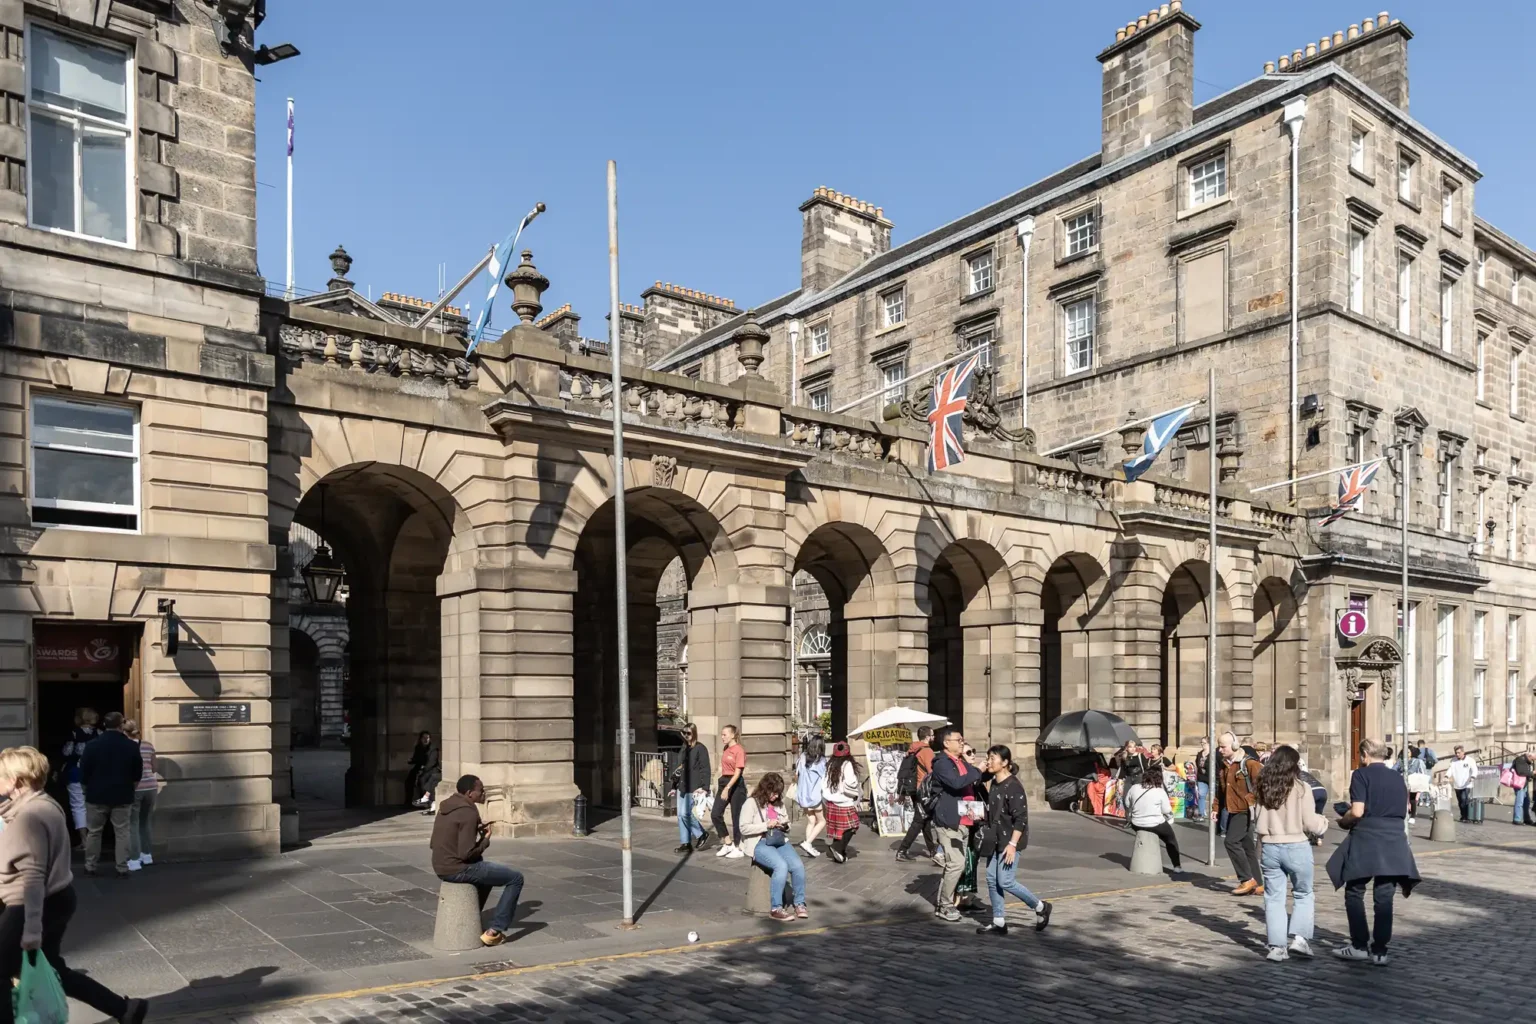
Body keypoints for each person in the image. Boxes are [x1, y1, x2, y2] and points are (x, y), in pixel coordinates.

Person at [0, 746, 148, 1023]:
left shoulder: (28, 817)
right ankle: (125, 1009)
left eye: (0, 775)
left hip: (30, 904)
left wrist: (32, 928)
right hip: (58, 897)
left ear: (16, 780)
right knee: (54, 967)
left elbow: (32, 876)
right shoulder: (45, 804)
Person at [1327, 739, 1420, 964]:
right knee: (1385, 895)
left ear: (1365, 754)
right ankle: (1380, 950)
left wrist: (1343, 820)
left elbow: (1357, 811)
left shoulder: (1361, 775)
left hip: (1367, 839)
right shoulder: (1398, 777)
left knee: (1355, 890)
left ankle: (1359, 944)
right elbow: (1405, 809)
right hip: (1394, 840)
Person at [430, 775, 525, 947]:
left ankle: (470, 917)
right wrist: (485, 840)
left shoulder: (445, 808)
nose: (484, 793)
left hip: (440, 865)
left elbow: (436, 842)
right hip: (458, 869)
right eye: (481, 790)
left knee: (486, 876)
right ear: (469, 793)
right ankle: (495, 931)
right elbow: (466, 854)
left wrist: (474, 830)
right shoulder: (469, 812)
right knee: (515, 878)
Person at [1254, 744, 1327, 962]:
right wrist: (1323, 823)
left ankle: (1277, 947)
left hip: (1270, 845)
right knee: (1303, 893)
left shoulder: (1263, 786)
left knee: (1273, 898)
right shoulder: (1301, 788)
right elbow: (1310, 822)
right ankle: (1300, 940)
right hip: (1296, 845)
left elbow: (1256, 818)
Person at [974, 745, 1051, 935]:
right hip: (996, 839)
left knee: (1006, 881)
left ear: (1005, 763)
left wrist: (1012, 845)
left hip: (1010, 841)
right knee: (992, 879)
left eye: (993, 758)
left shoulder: (1014, 786)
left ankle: (1040, 907)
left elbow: (1021, 819)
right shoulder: (994, 781)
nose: (989, 761)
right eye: (989, 757)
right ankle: (999, 921)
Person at [79, 712, 143, 878]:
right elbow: (137, 774)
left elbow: (84, 772)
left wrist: (86, 790)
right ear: (121, 725)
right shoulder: (131, 746)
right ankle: (122, 867)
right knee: (122, 832)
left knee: (94, 832)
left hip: (96, 795)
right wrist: (131, 788)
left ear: (104, 725)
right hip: (122, 794)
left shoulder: (92, 745)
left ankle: (90, 865)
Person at [930, 728, 984, 922]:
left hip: (965, 819)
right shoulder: (942, 763)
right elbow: (956, 783)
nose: (962, 743)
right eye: (958, 740)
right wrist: (978, 770)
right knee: (957, 863)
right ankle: (944, 904)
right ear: (946, 743)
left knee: (957, 864)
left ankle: (946, 902)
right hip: (949, 821)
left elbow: (975, 778)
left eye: (962, 739)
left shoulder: (960, 761)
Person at [738, 772, 807, 921]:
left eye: (778, 793)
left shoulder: (779, 804)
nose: (776, 796)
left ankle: (799, 903)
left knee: (797, 866)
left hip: (778, 839)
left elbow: (788, 824)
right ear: (765, 789)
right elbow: (743, 828)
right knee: (781, 866)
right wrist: (765, 825)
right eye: (773, 793)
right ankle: (776, 908)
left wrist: (784, 824)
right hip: (759, 842)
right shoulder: (751, 803)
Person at [1218, 730, 1263, 896]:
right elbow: (1220, 790)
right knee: (1247, 846)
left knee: (1230, 842)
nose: (1220, 750)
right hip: (1232, 809)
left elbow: (1262, 786)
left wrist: (1249, 800)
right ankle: (1258, 884)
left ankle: (1246, 879)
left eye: (1223, 747)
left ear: (1234, 746)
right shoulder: (1224, 765)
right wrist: (1216, 808)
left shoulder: (1250, 764)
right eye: (1219, 747)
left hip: (1244, 810)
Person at [895, 726, 940, 864]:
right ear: (927, 736)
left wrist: (903, 793)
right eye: (932, 735)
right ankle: (902, 850)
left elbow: (906, 772)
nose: (934, 737)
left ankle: (932, 849)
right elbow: (933, 772)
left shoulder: (912, 750)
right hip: (924, 791)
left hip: (914, 790)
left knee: (925, 820)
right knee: (919, 821)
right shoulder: (927, 751)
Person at [1126, 765, 1182, 872]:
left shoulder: (1134, 788)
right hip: (1155, 824)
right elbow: (1166, 810)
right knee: (1171, 840)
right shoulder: (1160, 791)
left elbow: (1127, 803)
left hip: (1136, 823)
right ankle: (1177, 866)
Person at [668, 723, 711, 853]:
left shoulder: (700, 748)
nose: (686, 736)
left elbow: (705, 768)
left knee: (684, 813)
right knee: (680, 816)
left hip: (694, 786)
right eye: (684, 733)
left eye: (689, 733)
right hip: (682, 785)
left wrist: (705, 787)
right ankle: (685, 843)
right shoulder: (684, 748)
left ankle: (701, 834)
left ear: (694, 733)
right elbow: (679, 768)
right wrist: (674, 786)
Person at [123, 720, 158, 871]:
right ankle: (147, 855)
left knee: (133, 824)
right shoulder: (148, 745)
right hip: (151, 787)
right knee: (146, 822)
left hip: (135, 788)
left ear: (125, 732)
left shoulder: (125, 747)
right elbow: (155, 767)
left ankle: (135, 859)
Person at [60, 707, 98, 842]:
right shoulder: (99, 733)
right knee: (94, 806)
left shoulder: (74, 734)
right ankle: (95, 839)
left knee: (78, 806)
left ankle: (84, 840)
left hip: (76, 773)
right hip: (95, 774)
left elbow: (66, 752)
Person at [711, 725, 748, 858]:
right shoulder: (726, 748)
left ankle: (738, 847)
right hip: (724, 781)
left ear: (733, 735)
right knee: (715, 814)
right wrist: (722, 785)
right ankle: (728, 843)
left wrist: (728, 788)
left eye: (725, 735)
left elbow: (738, 773)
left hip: (736, 784)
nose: (722, 737)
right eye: (721, 734)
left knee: (736, 816)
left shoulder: (739, 750)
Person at [823, 741, 862, 863]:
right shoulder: (847, 764)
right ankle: (837, 848)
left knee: (837, 830)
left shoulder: (830, 764)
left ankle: (839, 854)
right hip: (844, 800)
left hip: (830, 800)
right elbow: (851, 782)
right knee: (853, 825)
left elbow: (824, 782)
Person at [793, 732, 827, 858]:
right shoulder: (821, 761)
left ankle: (809, 846)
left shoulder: (802, 756)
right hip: (815, 795)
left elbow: (797, 773)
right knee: (822, 821)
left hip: (803, 795)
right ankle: (807, 843)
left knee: (811, 821)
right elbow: (825, 778)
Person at [406, 731, 440, 810]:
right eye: (423, 738)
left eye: (427, 738)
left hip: (431, 769)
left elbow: (432, 762)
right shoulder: (418, 747)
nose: (425, 740)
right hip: (420, 767)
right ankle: (408, 802)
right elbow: (417, 758)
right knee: (409, 780)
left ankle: (425, 801)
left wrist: (423, 770)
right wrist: (411, 761)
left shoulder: (433, 748)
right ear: (420, 739)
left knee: (423, 779)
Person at [1447, 745, 1478, 822]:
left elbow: (1475, 770)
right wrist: (1446, 776)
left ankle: (1466, 816)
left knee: (1464, 799)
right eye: (1456, 753)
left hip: (1467, 784)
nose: (1457, 754)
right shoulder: (1453, 760)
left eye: (1459, 753)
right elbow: (1450, 769)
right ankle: (1463, 815)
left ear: (1463, 752)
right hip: (1457, 784)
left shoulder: (1470, 760)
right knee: (1460, 801)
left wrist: (1473, 777)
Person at [1513, 746, 1535, 826]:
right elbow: (1521, 772)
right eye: (1532, 759)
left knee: (1527, 802)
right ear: (1529, 756)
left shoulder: (1526, 761)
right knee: (1520, 802)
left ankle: (1527, 818)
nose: (1532, 761)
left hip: (1524, 783)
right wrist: (1533, 773)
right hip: (1519, 784)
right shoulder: (1520, 760)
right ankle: (1517, 819)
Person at [1193, 737, 1212, 822]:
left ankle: (1214, 813)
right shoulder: (1200, 753)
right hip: (1202, 778)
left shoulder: (1214, 753)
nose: (1202, 744)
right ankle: (1201, 814)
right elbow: (1197, 764)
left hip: (1212, 778)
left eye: (1204, 743)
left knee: (1214, 797)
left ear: (1209, 743)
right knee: (1201, 795)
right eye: (1201, 743)